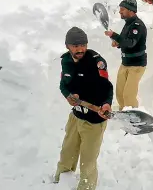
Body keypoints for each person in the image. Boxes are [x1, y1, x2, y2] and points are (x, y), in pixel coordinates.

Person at [54, 27, 113, 190]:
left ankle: (86, 187)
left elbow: (107, 87)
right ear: (68, 46)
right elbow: (62, 83)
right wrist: (67, 95)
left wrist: (107, 103)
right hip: (76, 116)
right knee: (67, 153)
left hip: (94, 120)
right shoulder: (65, 60)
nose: (80, 49)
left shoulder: (96, 62)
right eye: (75, 45)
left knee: (87, 161)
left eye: (83, 45)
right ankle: (61, 182)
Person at [104, 0, 147, 110]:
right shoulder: (128, 23)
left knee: (128, 95)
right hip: (125, 63)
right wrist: (118, 43)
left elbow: (130, 43)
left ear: (131, 10)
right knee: (119, 93)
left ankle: (134, 118)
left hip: (136, 65)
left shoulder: (137, 25)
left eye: (122, 9)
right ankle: (124, 117)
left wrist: (114, 35)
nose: (120, 11)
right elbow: (125, 41)